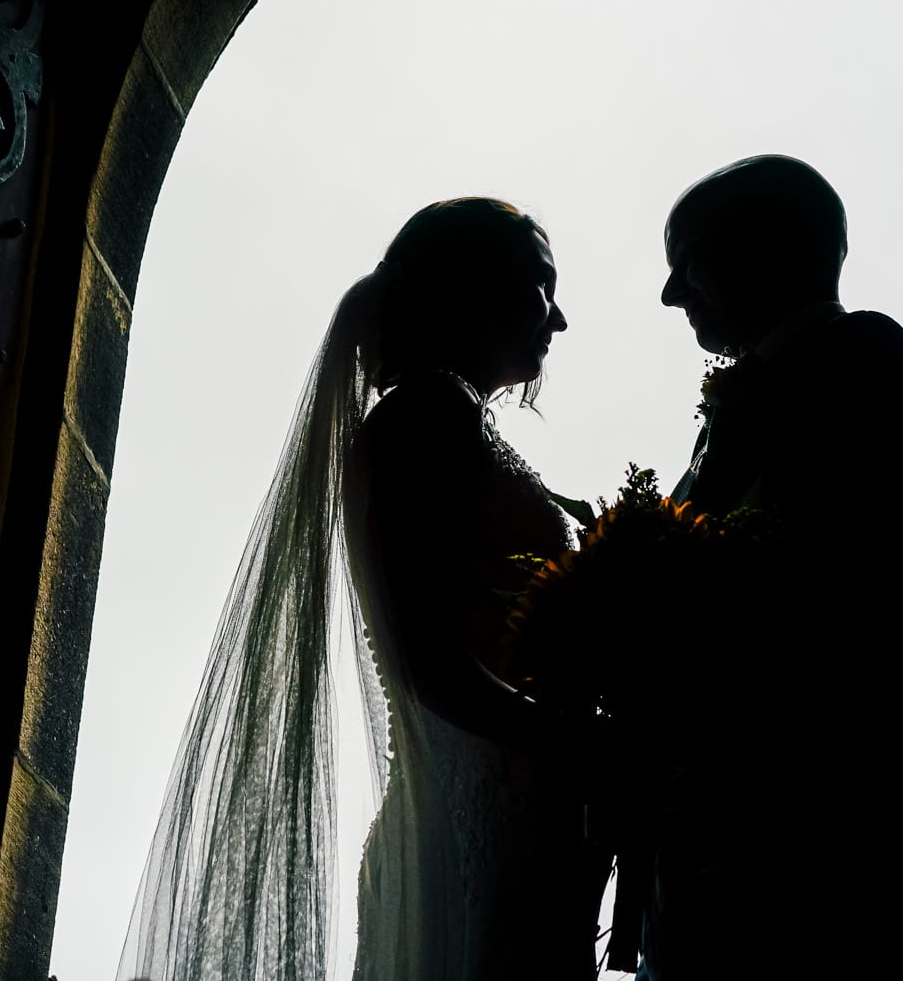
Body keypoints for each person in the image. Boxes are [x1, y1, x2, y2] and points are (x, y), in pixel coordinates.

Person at [117, 197, 608, 981]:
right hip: (473, 812)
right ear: (471, 289)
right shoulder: (426, 417)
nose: (558, 319)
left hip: (504, 809)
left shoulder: (446, 421)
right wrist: (593, 745)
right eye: (539, 286)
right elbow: (429, 667)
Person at [621, 154, 903, 979]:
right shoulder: (758, 395)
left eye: (689, 260)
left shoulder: (863, 358)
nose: (673, 295)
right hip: (727, 857)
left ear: (763, 246)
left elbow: (837, 598)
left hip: (826, 861)